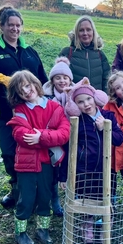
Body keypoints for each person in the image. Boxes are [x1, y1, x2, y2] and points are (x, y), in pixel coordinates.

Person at [0, 5, 48, 210]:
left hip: (34, 114)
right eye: (10, 25)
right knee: (9, 152)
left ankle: (33, 192)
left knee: (32, 151)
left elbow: (43, 80)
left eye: (18, 25)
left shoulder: (30, 52)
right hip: (7, 113)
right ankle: (16, 189)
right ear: (2, 26)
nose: (15, 29)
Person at [6, 70, 70, 244]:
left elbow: (64, 133)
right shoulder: (20, 111)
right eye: (20, 90)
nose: (26, 91)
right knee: (26, 198)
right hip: (26, 163)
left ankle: (43, 228)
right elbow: (21, 134)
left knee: (45, 196)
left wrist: (41, 136)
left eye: (27, 85)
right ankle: (21, 231)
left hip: (46, 163)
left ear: (35, 83)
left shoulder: (54, 108)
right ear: (17, 95)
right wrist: (48, 137)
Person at [58, 77, 123, 243]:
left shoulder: (108, 116)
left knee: (106, 198)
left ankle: (104, 227)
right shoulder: (76, 122)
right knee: (88, 198)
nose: (86, 104)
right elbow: (68, 148)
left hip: (106, 169)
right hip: (84, 169)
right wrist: (62, 175)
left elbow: (119, 139)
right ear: (75, 105)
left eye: (88, 99)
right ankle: (87, 225)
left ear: (95, 98)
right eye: (80, 102)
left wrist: (105, 128)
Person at [42, 56, 75, 217]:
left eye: (65, 78)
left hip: (73, 137)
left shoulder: (76, 93)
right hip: (54, 138)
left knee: (70, 166)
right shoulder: (46, 96)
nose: (62, 81)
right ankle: (54, 199)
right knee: (54, 167)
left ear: (70, 79)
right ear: (52, 80)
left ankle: (71, 198)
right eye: (57, 78)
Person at [59, 15, 110, 92]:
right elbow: (58, 78)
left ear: (93, 32)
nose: (85, 33)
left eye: (88, 30)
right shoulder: (67, 53)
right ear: (76, 33)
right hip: (73, 101)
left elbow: (107, 80)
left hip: (95, 102)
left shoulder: (100, 55)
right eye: (81, 30)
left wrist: (104, 98)